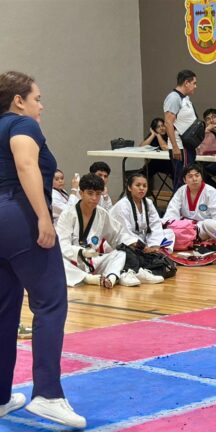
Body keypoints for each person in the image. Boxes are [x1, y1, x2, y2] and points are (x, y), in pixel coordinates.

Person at [0, 70, 86, 427]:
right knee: (50, 302)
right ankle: (47, 393)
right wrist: (43, 217)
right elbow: (25, 163)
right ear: (19, 101)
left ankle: (1, 396)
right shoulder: (23, 125)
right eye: (37, 98)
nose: (41, 106)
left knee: (4, 310)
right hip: (19, 217)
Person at [57, 174, 143, 288]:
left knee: (120, 254)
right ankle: (88, 278)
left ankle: (111, 278)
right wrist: (81, 252)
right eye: (90, 193)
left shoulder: (102, 214)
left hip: (93, 261)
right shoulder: (68, 214)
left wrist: (134, 243)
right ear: (81, 193)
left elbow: (117, 235)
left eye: (98, 194)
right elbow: (62, 245)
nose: (94, 198)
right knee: (56, 261)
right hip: (72, 262)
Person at [109, 173, 172, 284]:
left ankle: (156, 253)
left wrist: (154, 245)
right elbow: (124, 233)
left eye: (144, 185)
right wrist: (144, 248)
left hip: (142, 240)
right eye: (138, 185)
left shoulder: (148, 202)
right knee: (126, 249)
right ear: (129, 187)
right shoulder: (122, 206)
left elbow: (155, 225)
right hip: (124, 242)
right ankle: (138, 270)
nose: (142, 188)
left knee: (169, 232)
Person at [164, 69, 199, 191]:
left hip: (188, 147)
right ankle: (176, 210)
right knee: (182, 183)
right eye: (194, 83)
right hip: (180, 147)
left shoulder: (185, 98)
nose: (195, 86)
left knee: (187, 184)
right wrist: (175, 147)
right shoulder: (174, 98)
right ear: (186, 83)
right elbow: (168, 123)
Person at [141, 117, 173, 194]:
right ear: (154, 129)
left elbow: (165, 148)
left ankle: (176, 193)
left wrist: (158, 135)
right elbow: (141, 147)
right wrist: (153, 135)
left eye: (162, 126)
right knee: (143, 173)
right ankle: (145, 194)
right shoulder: (153, 137)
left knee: (177, 173)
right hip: (155, 163)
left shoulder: (170, 135)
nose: (161, 128)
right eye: (158, 127)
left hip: (169, 163)